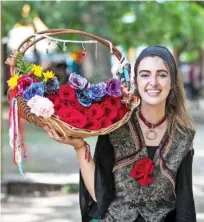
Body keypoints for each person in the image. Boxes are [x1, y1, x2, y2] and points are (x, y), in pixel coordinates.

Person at [44, 46, 197, 222]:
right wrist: (79, 147)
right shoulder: (115, 125)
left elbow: (185, 203)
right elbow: (101, 194)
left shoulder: (183, 136)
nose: (153, 82)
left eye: (162, 75)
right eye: (145, 74)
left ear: (172, 82)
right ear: (136, 81)